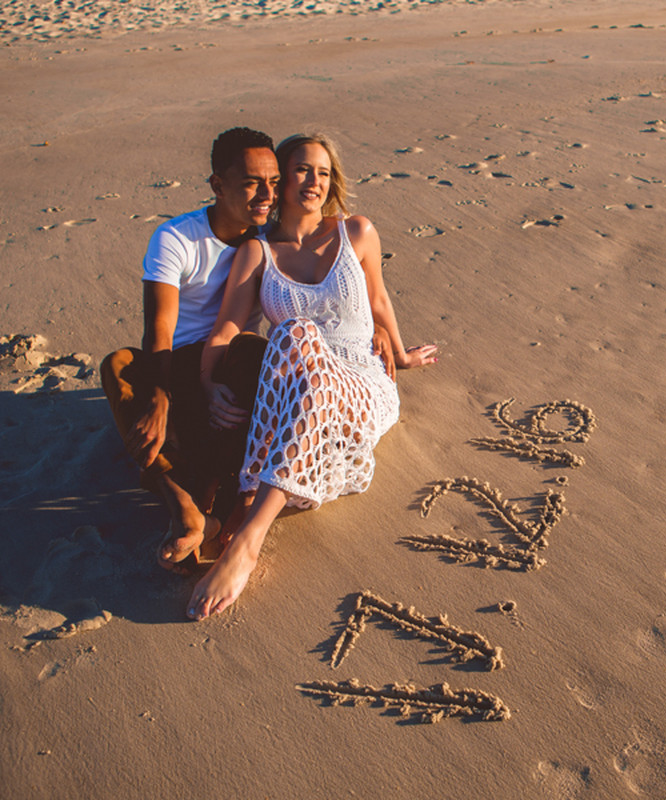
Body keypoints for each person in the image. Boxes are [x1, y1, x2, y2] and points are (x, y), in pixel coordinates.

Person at [186, 133, 438, 620]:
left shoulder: (356, 233)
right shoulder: (258, 253)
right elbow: (226, 330)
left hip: (361, 384)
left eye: (323, 172)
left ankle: (250, 533)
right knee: (293, 335)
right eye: (302, 170)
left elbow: (379, 300)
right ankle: (244, 502)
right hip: (299, 389)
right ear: (281, 180)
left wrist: (400, 354)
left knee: (296, 331)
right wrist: (207, 382)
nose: (314, 181)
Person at [100, 127, 279, 572]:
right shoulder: (176, 238)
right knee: (117, 364)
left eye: (274, 182)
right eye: (251, 182)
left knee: (256, 351)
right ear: (218, 185)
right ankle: (182, 502)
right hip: (176, 365)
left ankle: (215, 499)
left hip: (230, 364)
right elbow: (158, 329)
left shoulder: (275, 236)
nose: (266, 194)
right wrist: (160, 396)